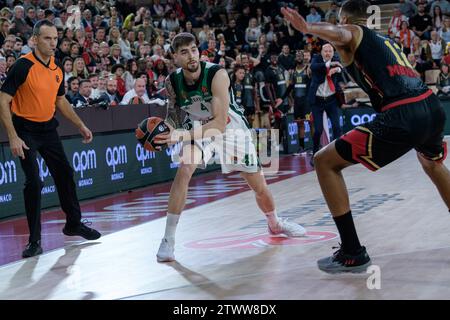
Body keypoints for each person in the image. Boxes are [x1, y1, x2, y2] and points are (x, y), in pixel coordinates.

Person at [282, 0, 450, 274]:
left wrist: (309, 27)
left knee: (324, 161)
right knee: (432, 163)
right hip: (429, 105)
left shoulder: (354, 33)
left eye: (340, 21)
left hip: (402, 113)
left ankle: (352, 252)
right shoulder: (386, 41)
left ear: (346, 18)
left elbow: (342, 34)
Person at [154, 33, 306, 262]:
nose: (191, 55)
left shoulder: (217, 74)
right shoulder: (172, 81)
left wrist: (182, 134)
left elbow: (217, 123)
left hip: (229, 127)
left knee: (258, 185)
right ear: (175, 57)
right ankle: (168, 239)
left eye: (194, 49)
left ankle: (275, 224)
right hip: (197, 127)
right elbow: (174, 115)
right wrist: (162, 132)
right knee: (185, 168)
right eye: (184, 52)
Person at [0, 20, 101, 258]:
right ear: (34, 40)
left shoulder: (57, 67)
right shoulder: (23, 66)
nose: (53, 43)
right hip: (24, 129)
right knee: (34, 182)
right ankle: (34, 241)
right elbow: (3, 100)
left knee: (65, 174)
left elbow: (60, 101)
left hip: (48, 129)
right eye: (47, 38)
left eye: (55, 38)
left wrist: (80, 125)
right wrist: (13, 136)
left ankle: (73, 224)